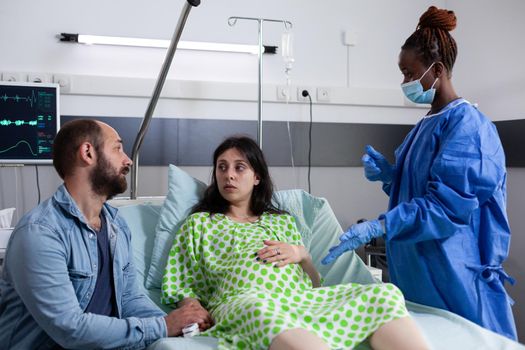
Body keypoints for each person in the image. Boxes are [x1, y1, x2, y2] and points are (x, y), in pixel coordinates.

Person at [322, 6, 517, 340]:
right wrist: (390, 176)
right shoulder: (428, 123)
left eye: (409, 73)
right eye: (402, 74)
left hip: (456, 277)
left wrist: (379, 226)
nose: (405, 82)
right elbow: (420, 189)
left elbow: (446, 206)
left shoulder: (469, 126)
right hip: (419, 275)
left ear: (437, 69)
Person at [161, 135, 429, 350]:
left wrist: (303, 255)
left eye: (239, 167)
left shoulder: (282, 222)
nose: (228, 175)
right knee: (261, 310)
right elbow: (182, 282)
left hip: (300, 300)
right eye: (222, 167)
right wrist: (191, 307)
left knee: (382, 294)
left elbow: (314, 285)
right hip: (245, 301)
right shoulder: (200, 223)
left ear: (257, 177)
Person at [0, 119, 212, 349]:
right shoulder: (40, 233)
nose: (127, 159)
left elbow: (129, 300)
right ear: (88, 153)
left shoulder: (116, 225)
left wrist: (182, 326)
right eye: (118, 148)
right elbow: (70, 328)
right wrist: (162, 325)